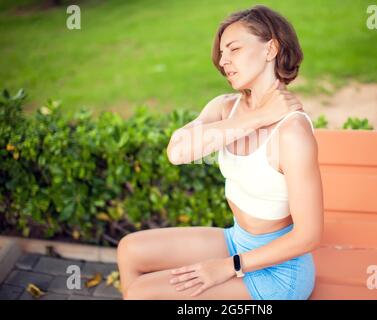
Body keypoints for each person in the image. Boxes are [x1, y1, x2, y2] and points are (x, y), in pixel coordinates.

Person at [117, 4, 324, 300]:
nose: (223, 60)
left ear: (271, 49)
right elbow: (178, 152)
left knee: (143, 294)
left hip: (279, 274)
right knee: (130, 251)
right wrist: (256, 117)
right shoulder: (226, 107)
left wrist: (229, 267)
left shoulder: (292, 133)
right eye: (221, 53)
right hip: (237, 240)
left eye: (234, 49)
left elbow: (309, 235)